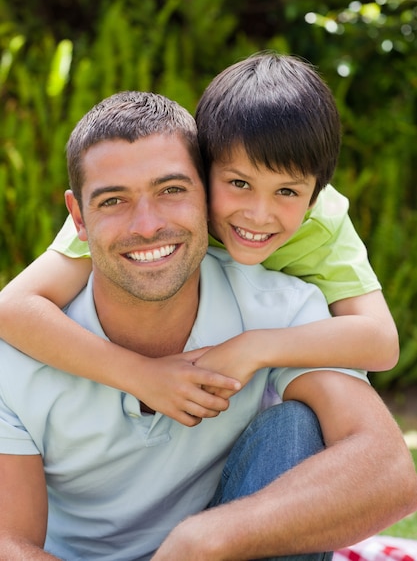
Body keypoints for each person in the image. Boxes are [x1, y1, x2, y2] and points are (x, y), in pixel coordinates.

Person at [0, 90, 415, 561]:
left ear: (206, 193)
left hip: (221, 549)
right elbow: (7, 544)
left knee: (295, 429)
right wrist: (141, 374)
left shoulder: (278, 310)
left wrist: (203, 541)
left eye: (172, 190)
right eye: (113, 200)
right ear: (78, 216)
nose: (148, 225)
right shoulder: (19, 346)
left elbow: (388, 473)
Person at [0, 53, 398, 426]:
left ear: (314, 195)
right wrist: (140, 376)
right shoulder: (138, 213)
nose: (258, 214)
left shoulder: (323, 222)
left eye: (287, 192)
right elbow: (13, 308)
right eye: (239, 183)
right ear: (200, 172)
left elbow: (381, 340)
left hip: (265, 393)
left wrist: (255, 348)